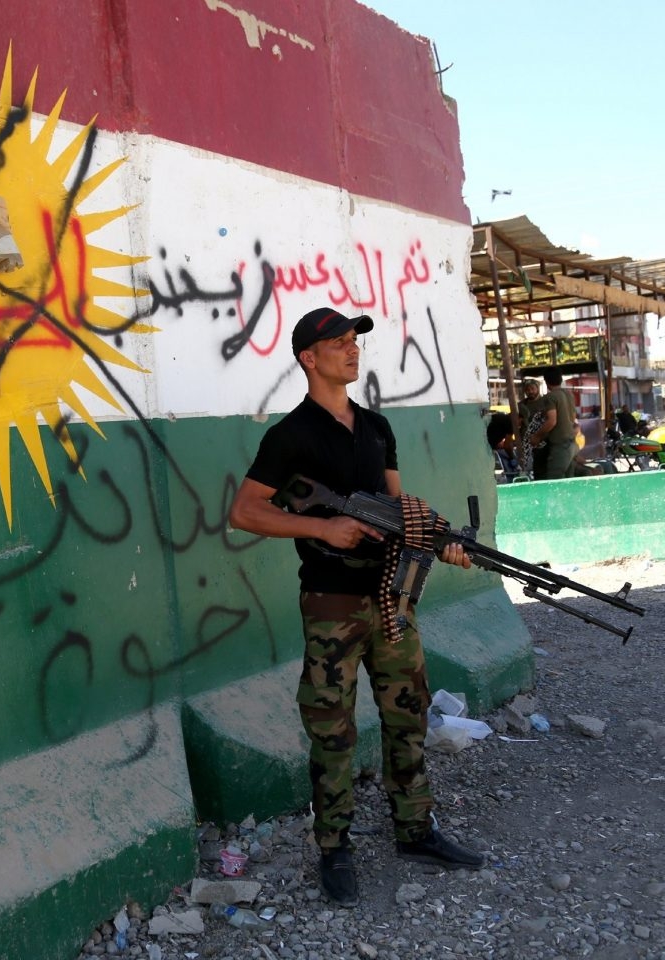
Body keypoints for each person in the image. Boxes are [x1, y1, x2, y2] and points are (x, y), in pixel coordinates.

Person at [228, 306, 487, 908]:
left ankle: (416, 830)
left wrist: (440, 542)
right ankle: (334, 849)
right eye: (338, 343)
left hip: (391, 599)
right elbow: (244, 512)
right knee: (333, 729)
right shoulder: (288, 435)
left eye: (353, 341)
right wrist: (322, 530)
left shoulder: (376, 428)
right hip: (331, 605)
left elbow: (399, 514)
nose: (352, 350)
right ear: (308, 358)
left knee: (408, 716)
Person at [529, 369, 577, 480]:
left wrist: (537, 436)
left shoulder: (551, 397)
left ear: (546, 381)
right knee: (569, 480)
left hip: (560, 447)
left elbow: (552, 421)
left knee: (553, 481)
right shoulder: (569, 394)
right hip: (572, 445)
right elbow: (573, 417)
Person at [517, 378, 548, 480]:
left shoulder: (546, 402)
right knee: (527, 470)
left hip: (542, 441)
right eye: (527, 389)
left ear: (538, 388)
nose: (530, 391)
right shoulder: (521, 405)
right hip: (527, 443)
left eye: (532, 389)